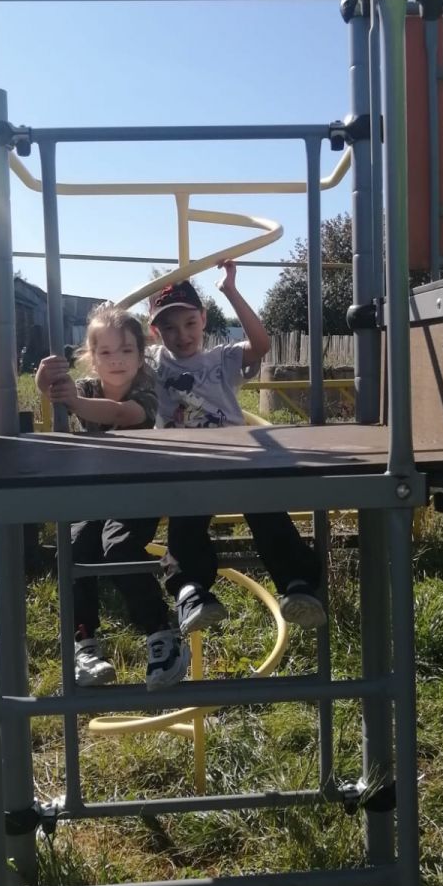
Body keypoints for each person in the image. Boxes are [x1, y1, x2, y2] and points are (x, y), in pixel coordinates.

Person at [146, 260, 326, 635]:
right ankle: (191, 591)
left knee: (266, 506)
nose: (182, 335)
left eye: (190, 323)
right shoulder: (154, 364)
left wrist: (230, 290)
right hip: (185, 464)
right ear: (155, 332)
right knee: (185, 518)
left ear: (204, 319)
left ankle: (296, 584)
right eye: (169, 328)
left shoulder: (221, 359)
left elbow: (260, 344)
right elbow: (114, 355)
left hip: (232, 457)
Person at [35, 304, 190, 690]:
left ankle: (162, 633)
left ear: (140, 355)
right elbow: (58, 394)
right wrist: (45, 381)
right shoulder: (87, 388)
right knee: (75, 547)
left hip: (141, 489)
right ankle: (84, 642)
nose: (116, 360)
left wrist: (74, 403)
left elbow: (122, 415)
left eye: (125, 350)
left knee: (118, 547)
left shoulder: (147, 390)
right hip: (96, 491)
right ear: (91, 357)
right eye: (105, 351)